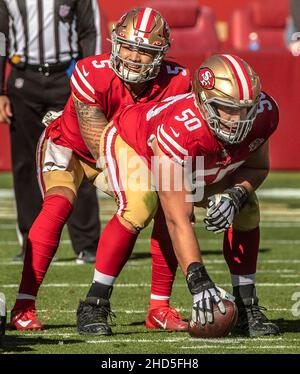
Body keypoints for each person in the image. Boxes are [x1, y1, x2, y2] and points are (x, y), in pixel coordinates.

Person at [10, 7, 191, 332]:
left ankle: (159, 307)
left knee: (171, 203)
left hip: (124, 150)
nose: (134, 57)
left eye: (145, 51)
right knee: (58, 205)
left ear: (160, 55)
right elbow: (99, 145)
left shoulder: (177, 81)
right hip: (72, 147)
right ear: (114, 43)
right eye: (128, 46)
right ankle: (24, 305)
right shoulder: (91, 72)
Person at [76, 54, 280, 337]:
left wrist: (235, 194)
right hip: (135, 143)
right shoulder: (181, 130)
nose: (237, 120)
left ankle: (247, 306)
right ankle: (94, 303)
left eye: (245, 110)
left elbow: (258, 167)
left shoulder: (264, 114)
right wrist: (199, 282)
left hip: (199, 159)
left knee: (246, 208)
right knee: (140, 206)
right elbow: (177, 218)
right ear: (203, 103)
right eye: (226, 109)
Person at [0, 0, 107, 264]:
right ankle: (32, 243)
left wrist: (89, 82)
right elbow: (1, 37)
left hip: (65, 79)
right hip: (23, 80)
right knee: (26, 166)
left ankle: (88, 244)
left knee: (78, 160)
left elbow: (90, 31)